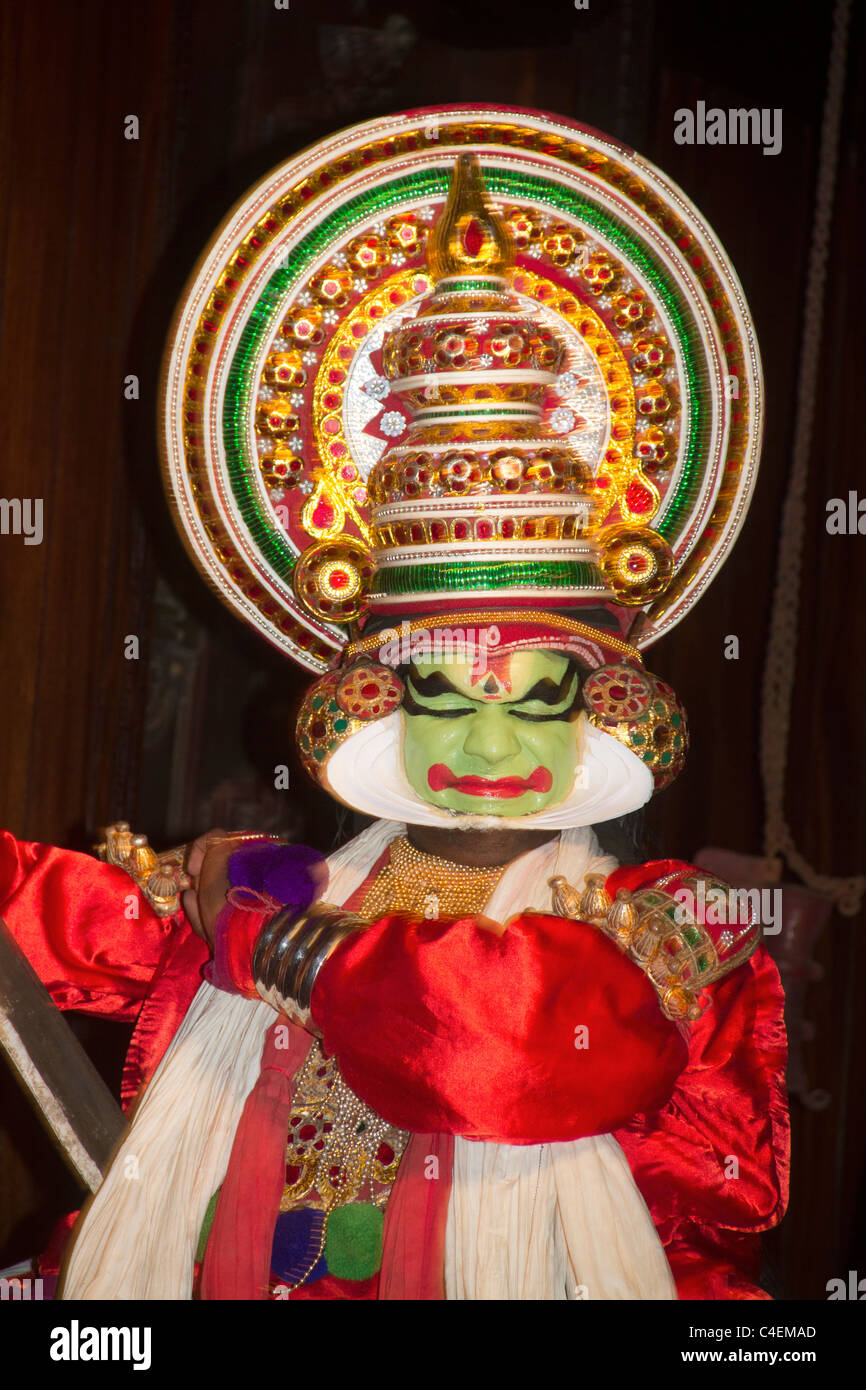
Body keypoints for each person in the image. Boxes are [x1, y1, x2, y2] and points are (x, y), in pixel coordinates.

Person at [0, 108, 788, 1300]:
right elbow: (60, 916)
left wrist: (266, 940)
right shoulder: (282, 882)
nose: (484, 743)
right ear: (376, 706)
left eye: (533, 703)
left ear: (601, 716)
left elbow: (510, 1044)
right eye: (440, 694)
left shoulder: (664, 930)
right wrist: (236, 909)